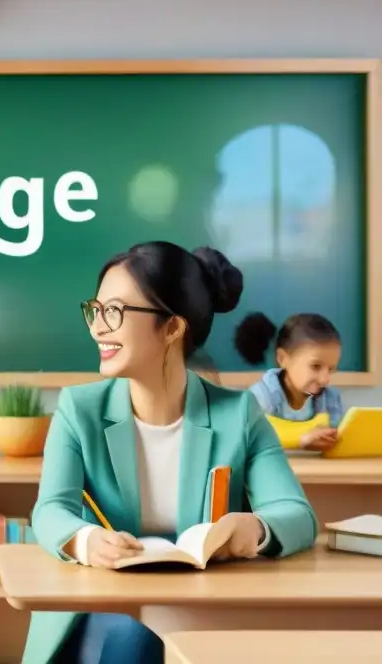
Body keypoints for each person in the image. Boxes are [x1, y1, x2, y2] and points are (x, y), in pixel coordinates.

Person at [26, 241, 318, 664]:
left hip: (204, 607)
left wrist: (252, 530)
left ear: (172, 328)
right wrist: (86, 541)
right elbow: (50, 510)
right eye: (96, 310)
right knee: (137, 634)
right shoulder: (79, 409)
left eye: (115, 312)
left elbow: (297, 515)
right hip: (108, 609)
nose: (97, 328)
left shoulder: (239, 414)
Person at [234, 311, 345, 452]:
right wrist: (301, 439)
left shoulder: (330, 398)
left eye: (331, 369)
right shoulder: (261, 397)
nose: (325, 379)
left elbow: (338, 437)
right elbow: (249, 437)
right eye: (315, 366)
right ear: (283, 359)